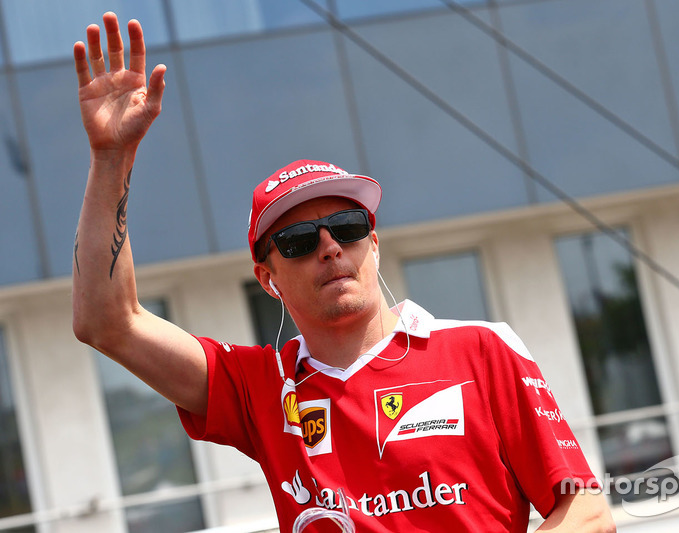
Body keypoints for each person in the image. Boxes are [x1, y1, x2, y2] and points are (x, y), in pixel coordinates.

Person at [72, 12, 615, 533]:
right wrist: (111, 159)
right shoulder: (261, 388)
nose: (330, 247)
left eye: (348, 226)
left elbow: (586, 513)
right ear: (268, 278)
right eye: (299, 240)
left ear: (373, 244)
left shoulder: (482, 351)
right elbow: (107, 321)